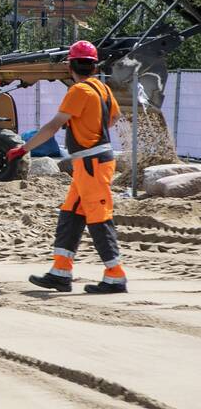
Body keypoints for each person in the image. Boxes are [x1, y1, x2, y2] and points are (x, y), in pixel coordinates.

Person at [8, 40, 127, 294]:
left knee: (98, 218)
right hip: (91, 163)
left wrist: (23, 149)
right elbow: (114, 118)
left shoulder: (79, 91)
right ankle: (60, 272)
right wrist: (90, 125)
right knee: (70, 214)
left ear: (69, 66)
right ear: (94, 67)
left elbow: (53, 126)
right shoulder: (102, 89)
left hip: (91, 163)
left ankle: (115, 276)